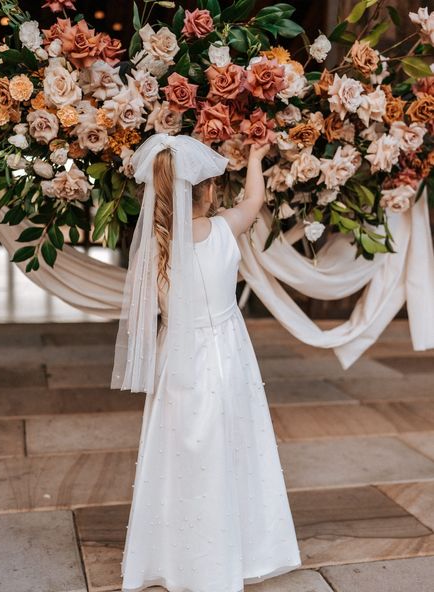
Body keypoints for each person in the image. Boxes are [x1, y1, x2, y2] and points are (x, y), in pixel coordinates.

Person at [111, 133, 301, 592]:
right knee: (232, 445)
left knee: (177, 452)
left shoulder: (154, 247)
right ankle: (239, 551)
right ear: (209, 190)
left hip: (175, 358)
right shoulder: (222, 229)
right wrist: (256, 156)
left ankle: (176, 557)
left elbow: (149, 311)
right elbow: (255, 198)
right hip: (227, 357)